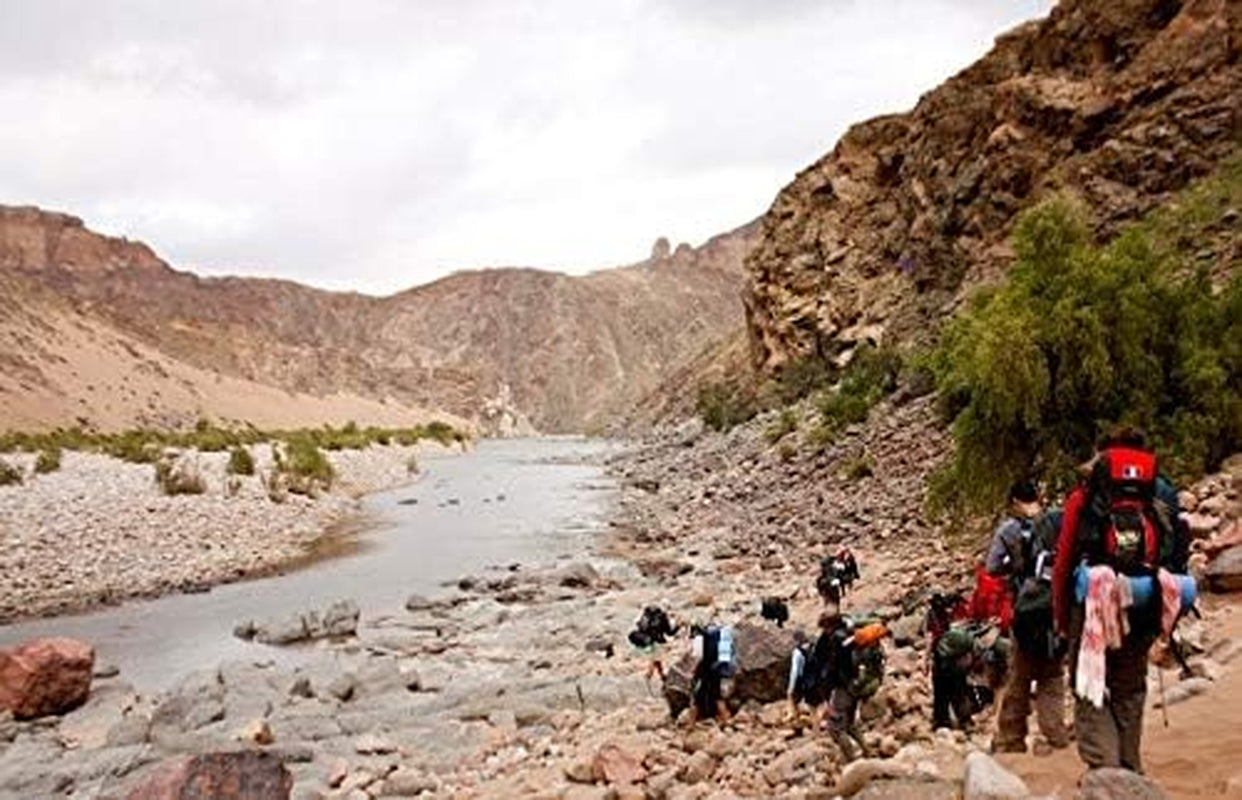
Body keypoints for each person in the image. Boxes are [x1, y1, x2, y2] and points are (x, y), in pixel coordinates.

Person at [1052, 428, 1189, 773]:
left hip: (1095, 607)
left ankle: (1107, 772)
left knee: (1089, 686)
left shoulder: (1087, 494)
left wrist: (1061, 617)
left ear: (1102, 454)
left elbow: (1064, 559)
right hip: (1146, 600)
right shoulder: (1161, 492)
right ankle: (1130, 771)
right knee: (1129, 690)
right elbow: (1176, 552)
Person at [988, 484, 1069, 753]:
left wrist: (1016, 567)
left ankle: (1011, 739)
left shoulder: (1009, 530)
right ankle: (1055, 733)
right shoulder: (1056, 522)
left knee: (1019, 676)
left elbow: (993, 567)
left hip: (1025, 607)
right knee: (1052, 675)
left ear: (1014, 501)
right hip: (1057, 607)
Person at [686, 624, 736, 725]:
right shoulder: (717, 636)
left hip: (707, 671)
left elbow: (698, 657)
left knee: (697, 697)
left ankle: (690, 724)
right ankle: (727, 719)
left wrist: (694, 673)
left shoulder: (699, 639)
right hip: (717, 669)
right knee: (717, 696)